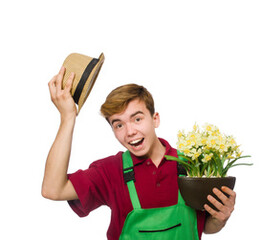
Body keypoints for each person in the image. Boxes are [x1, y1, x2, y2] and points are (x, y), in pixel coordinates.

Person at [41, 67, 236, 240]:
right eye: (119, 124)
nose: (130, 132)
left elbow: (202, 226)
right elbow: (52, 189)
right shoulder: (110, 171)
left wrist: (220, 219)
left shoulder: (193, 165)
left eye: (137, 119)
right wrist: (67, 118)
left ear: (155, 119)